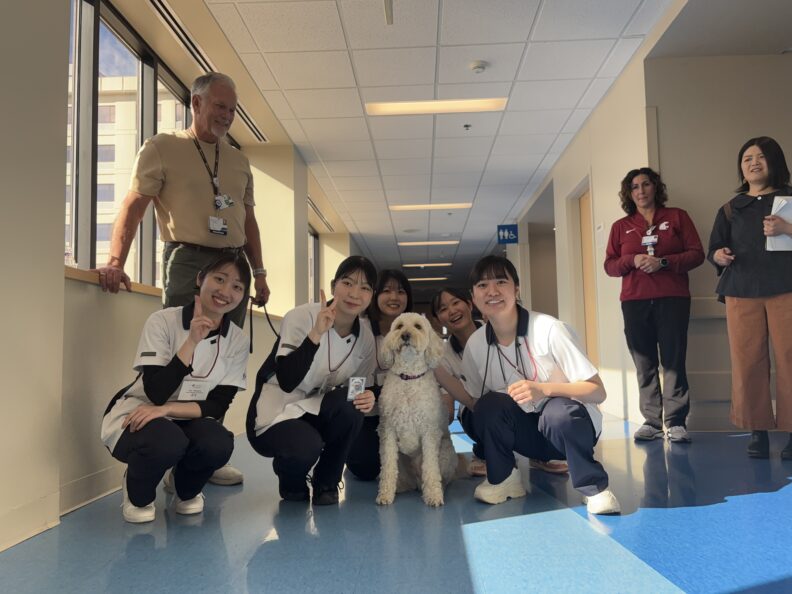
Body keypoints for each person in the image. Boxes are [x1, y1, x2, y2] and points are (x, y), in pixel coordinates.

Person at [96, 72, 270, 486]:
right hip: (188, 259)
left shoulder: (239, 160)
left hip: (235, 263)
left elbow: (247, 219)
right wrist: (115, 260)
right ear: (196, 103)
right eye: (219, 106)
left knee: (223, 359)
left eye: (232, 109)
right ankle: (171, 454)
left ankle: (202, 455)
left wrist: (259, 271)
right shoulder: (162, 147)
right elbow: (134, 204)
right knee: (181, 352)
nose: (227, 115)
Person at [460, 256, 620, 514]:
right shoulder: (476, 344)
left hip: (566, 429)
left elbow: (597, 390)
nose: (492, 291)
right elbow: (476, 399)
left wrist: (544, 389)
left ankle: (593, 487)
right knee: (487, 406)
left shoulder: (549, 329)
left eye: (501, 282)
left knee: (559, 412)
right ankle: (504, 478)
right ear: (473, 297)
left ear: (516, 289)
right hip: (524, 435)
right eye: (482, 285)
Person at [100, 254, 251, 523]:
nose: (226, 291)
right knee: (167, 441)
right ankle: (137, 493)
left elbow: (218, 404)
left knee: (218, 443)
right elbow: (156, 392)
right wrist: (191, 342)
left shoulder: (238, 339)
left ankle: (185, 487)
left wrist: (168, 409)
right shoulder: (162, 321)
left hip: (186, 416)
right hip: (142, 411)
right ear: (200, 279)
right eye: (219, 279)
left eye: (237, 287)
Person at [246, 257, 377, 504]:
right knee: (305, 446)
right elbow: (287, 380)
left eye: (365, 288)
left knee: (353, 405)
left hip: (314, 405)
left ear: (371, 296)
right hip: (275, 409)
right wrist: (316, 333)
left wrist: (366, 396)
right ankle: (290, 478)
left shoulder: (366, 339)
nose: (354, 294)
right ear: (333, 285)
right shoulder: (301, 317)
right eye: (348, 283)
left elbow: (357, 387)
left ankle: (326, 482)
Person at [605, 167, 704, 443]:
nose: (641, 191)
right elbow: (610, 266)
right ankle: (651, 422)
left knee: (673, 360)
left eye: (646, 184)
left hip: (673, 299)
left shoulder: (677, 217)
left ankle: (676, 422)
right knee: (644, 363)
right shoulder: (620, 226)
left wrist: (664, 262)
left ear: (655, 187)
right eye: (634, 187)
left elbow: (697, 254)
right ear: (629, 194)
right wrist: (632, 260)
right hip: (634, 302)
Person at [708, 136, 792, 459]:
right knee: (747, 361)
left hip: (787, 288)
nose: (753, 162)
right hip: (741, 291)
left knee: (790, 359)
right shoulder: (730, 209)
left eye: (760, 156)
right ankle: (756, 431)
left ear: (775, 161)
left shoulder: (789, 201)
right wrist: (719, 255)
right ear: (741, 169)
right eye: (747, 159)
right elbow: (714, 248)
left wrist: (787, 228)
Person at [432, 288, 570, 477]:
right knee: (486, 407)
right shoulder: (443, 356)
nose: (452, 311)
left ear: (470, 304)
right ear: (438, 320)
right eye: (443, 309)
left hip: (518, 401)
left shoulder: (499, 328)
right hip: (475, 410)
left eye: (456, 303)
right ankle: (485, 452)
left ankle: (539, 453)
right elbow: (448, 404)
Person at [346, 269, 415, 481]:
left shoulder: (412, 332)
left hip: (402, 412)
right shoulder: (360, 327)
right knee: (365, 468)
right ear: (375, 295)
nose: (394, 297)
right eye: (386, 290)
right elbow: (353, 380)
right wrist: (362, 401)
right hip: (367, 411)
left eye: (401, 291)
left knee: (413, 465)